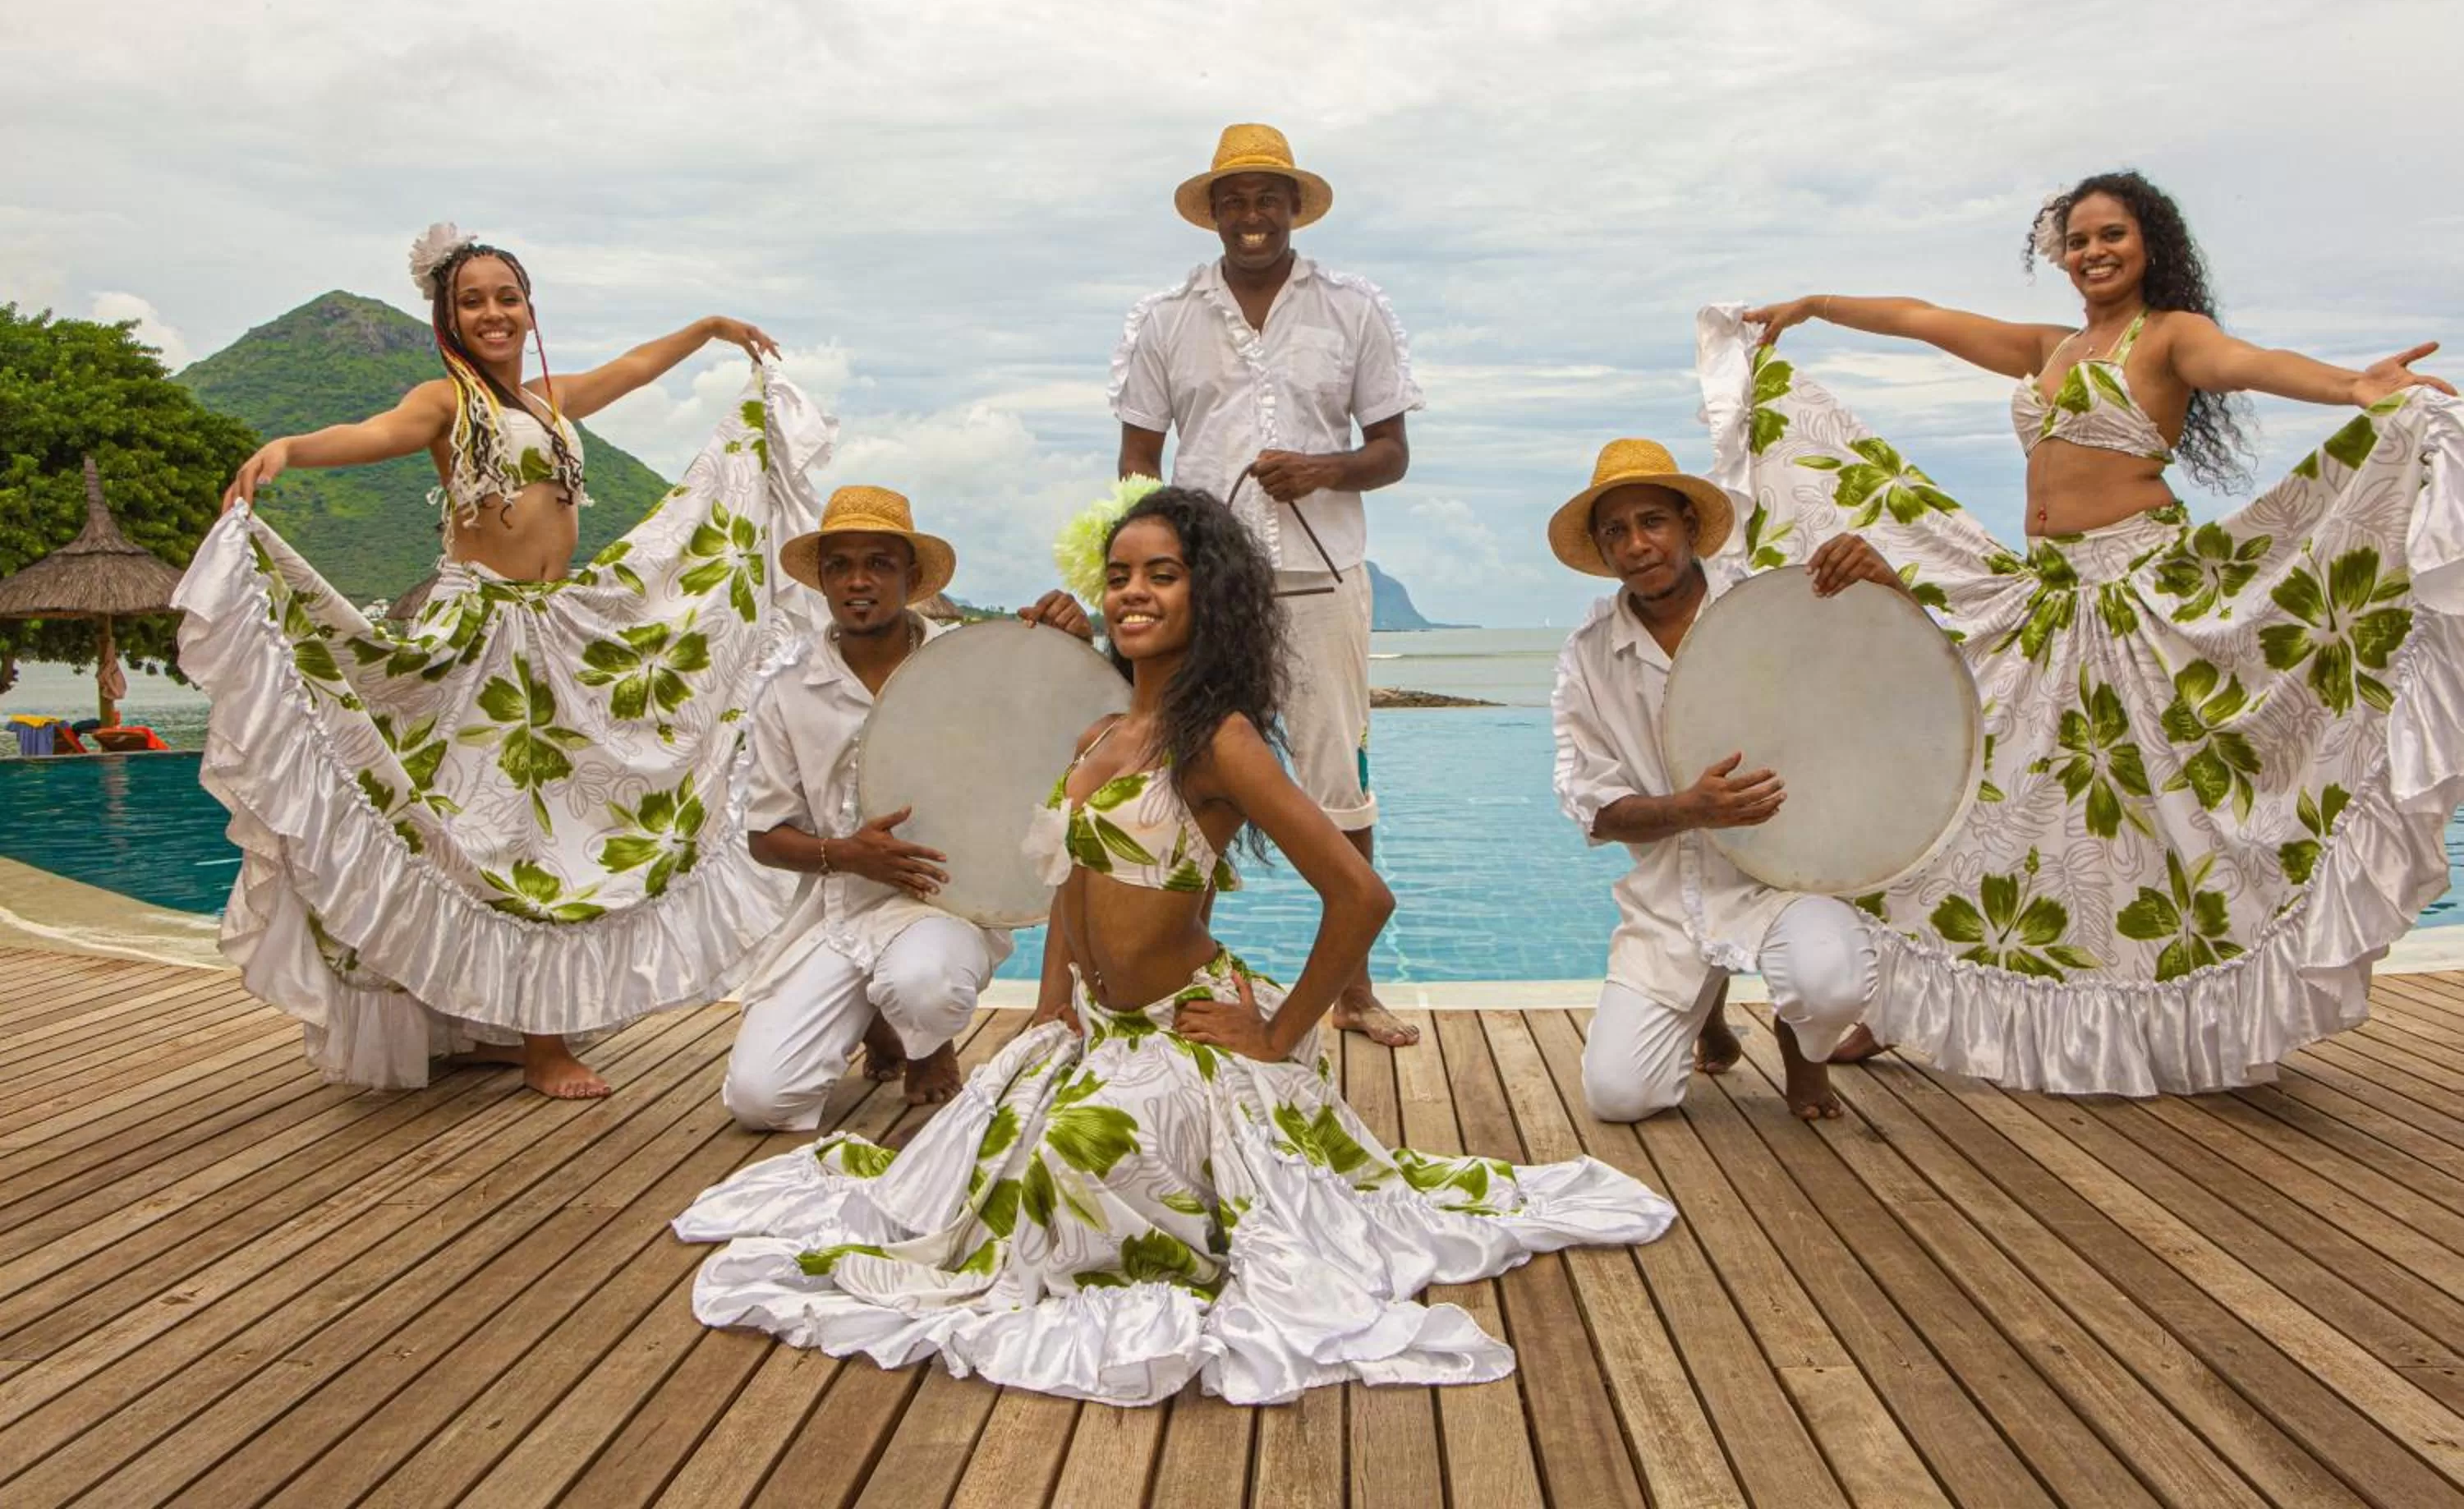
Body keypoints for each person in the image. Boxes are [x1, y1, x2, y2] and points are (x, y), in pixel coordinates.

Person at [674, 486, 1674, 1406]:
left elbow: (1361, 893)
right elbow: (1070, 878)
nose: (1134, 592)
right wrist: (1051, 1001)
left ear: (1210, 593)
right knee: (953, 1181)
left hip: (1188, 1029)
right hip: (1094, 1028)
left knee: (1066, 1168)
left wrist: (1280, 1032)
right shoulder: (1101, 733)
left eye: (1163, 573)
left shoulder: (1219, 739)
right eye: (1119, 574)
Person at [1726, 168, 2464, 1095]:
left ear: (2148, 243)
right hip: (2047, 598)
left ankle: (2214, 1018)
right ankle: (1899, 997)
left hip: (2139, 594)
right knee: (1977, 792)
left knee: (2171, 814)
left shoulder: (2172, 337)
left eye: (2111, 235)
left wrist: (2355, 385)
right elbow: (1923, 317)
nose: (2093, 252)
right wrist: (1819, 305)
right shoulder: (2049, 345)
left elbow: (2251, 362)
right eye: (2076, 240)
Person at [177, 223, 829, 1099]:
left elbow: (633, 367)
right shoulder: (446, 400)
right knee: (508, 834)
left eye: (506, 296)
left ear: (529, 309)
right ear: (448, 318)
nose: (493, 311)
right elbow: (380, 429)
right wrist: (292, 448)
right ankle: (542, 1044)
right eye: (472, 300)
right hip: (483, 637)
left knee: (543, 825)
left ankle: (486, 1022)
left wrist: (709, 328)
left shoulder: (550, 403)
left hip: (555, 629)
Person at [1110, 122, 1423, 1047]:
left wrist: (1326, 468)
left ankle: (1356, 991)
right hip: (1201, 586)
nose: (1251, 215)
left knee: (1339, 776)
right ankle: (1171, 966)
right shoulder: (1165, 319)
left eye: (1267, 197)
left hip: (1322, 582)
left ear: (1294, 205)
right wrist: (1142, 564)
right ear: (1212, 214)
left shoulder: (1354, 308)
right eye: (1233, 199)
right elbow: (1136, 460)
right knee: (1183, 769)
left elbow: (1394, 452)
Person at [1549, 439, 1898, 1121]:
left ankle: (1804, 1052)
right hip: (1667, 899)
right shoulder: (1588, 656)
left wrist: (1888, 587)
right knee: (1620, 1098)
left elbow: (1884, 677)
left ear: (1686, 523)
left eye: (1652, 521)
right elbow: (1588, 804)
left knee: (1831, 986)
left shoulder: (1774, 607)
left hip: (1787, 879)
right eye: (1615, 531)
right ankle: (1706, 1013)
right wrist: (1688, 809)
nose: (1637, 544)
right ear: (1601, 548)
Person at [722, 484, 1092, 1126]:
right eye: (840, 565)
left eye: (879, 564)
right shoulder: (788, 688)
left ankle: (926, 1040)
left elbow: (1063, 721)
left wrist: (1071, 646)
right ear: (824, 580)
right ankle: (879, 1023)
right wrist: (848, 855)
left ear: (912, 576)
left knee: (926, 985)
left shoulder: (971, 660)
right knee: (761, 1099)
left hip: (945, 904)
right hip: (838, 914)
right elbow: (764, 836)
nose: (857, 581)